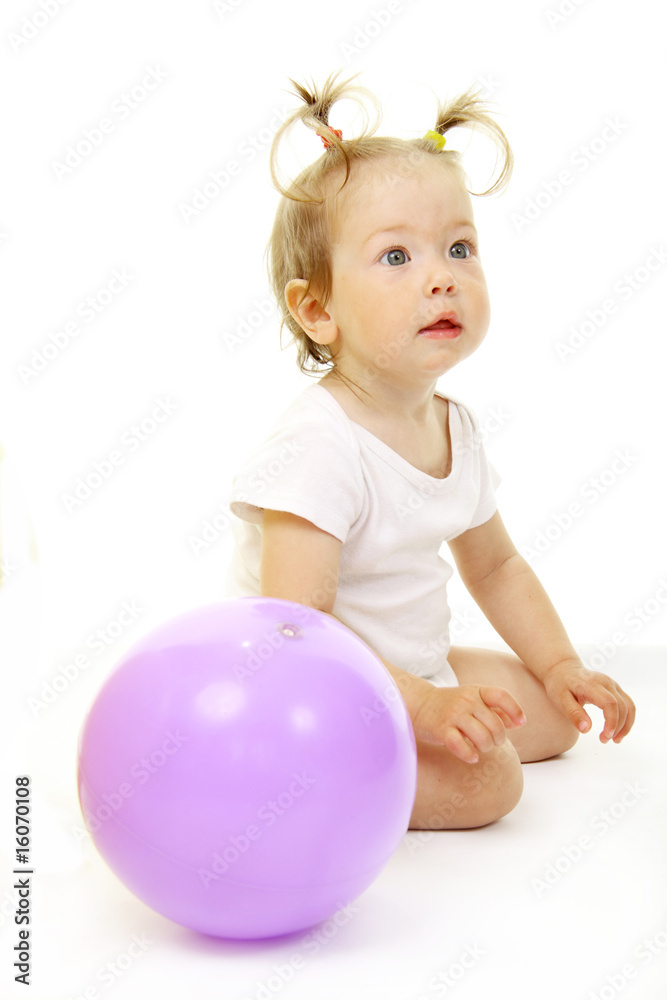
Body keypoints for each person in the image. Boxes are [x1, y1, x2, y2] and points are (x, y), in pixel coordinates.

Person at [224, 70, 636, 831]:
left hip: (406, 669)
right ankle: (301, 784)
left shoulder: (454, 425)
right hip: (309, 691)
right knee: (491, 786)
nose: (441, 279)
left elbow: (496, 565)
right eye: (395, 258)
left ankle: (435, 723)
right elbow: (294, 631)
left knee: (545, 713)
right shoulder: (319, 446)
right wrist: (419, 706)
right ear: (318, 310)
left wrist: (561, 665)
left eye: (458, 247)